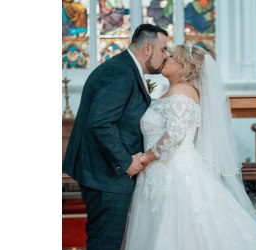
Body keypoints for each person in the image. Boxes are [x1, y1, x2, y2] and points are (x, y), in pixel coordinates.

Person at [123, 44, 256, 249]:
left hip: (174, 174)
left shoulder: (182, 93)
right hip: (158, 172)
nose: (166, 58)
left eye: (172, 57)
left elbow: (174, 136)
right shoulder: (171, 91)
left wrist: (143, 159)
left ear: (186, 67)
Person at [62, 24, 168, 250]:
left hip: (105, 172)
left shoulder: (126, 68)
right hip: (105, 174)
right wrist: (126, 162)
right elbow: (100, 123)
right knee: (105, 242)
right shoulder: (120, 72)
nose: (165, 56)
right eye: (163, 50)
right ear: (148, 48)